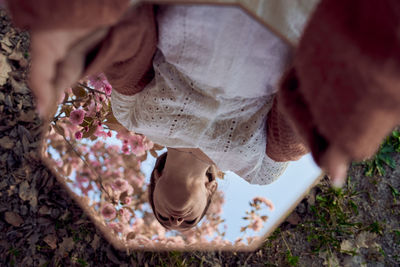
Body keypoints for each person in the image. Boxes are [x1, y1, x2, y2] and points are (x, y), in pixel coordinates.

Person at [6, 0, 400, 230]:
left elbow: (132, 50)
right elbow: (290, 127)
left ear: (155, 178)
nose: (175, 221)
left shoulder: (134, 119)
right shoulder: (257, 170)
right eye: (188, 223)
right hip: (289, 26)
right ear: (211, 190)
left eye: (162, 215)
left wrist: (90, 30)